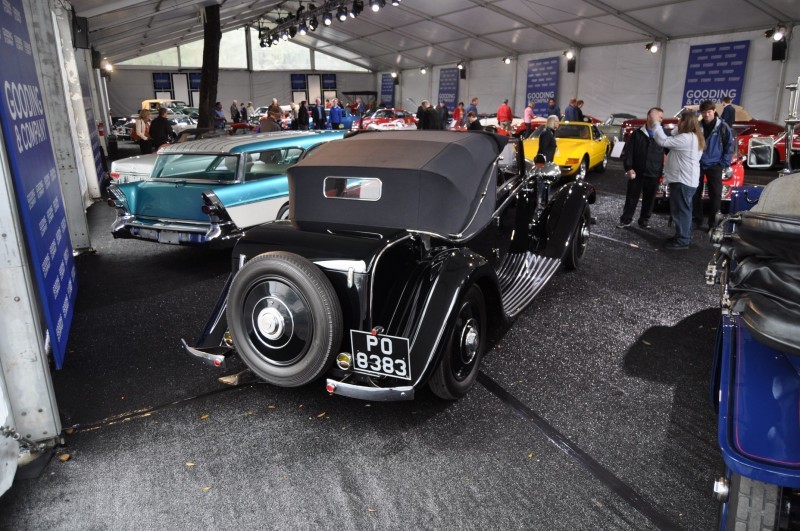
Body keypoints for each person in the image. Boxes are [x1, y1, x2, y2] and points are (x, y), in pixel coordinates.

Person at [652, 110, 705, 250]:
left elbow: (662, 140)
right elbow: (674, 134)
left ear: (685, 123)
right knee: (685, 210)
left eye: (680, 121)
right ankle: (682, 235)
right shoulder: (694, 137)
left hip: (683, 180)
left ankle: (682, 240)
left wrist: (656, 123)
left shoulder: (686, 138)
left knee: (681, 211)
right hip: (687, 180)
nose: (677, 123)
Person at [617, 107, 665, 229]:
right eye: (659, 117)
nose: (661, 119)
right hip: (637, 173)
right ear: (649, 117)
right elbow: (629, 153)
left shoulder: (663, 135)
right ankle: (626, 220)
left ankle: (644, 221)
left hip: (654, 173)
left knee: (649, 200)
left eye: (661, 117)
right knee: (631, 198)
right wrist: (628, 168)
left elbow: (670, 152)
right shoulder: (637, 134)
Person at [694, 99, 734, 230]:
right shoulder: (697, 126)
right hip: (698, 164)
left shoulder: (723, 127)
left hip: (715, 165)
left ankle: (713, 224)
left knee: (716, 195)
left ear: (714, 111)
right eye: (704, 112)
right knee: (695, 193)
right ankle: (697, 220)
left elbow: (729, 146)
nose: (706, 115)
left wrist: (724, 163)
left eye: (709, 112)